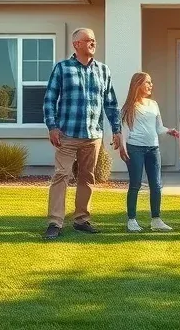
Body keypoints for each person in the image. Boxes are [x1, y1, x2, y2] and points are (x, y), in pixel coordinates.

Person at [41, 27, 122, 240]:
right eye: (88, 40)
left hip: (93, 136)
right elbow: (49, 99)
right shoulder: (62, 68)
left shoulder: (103, 70)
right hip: (66, 134)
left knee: (87, 177)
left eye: (94, 40)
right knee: (61, 176)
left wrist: (116, 129)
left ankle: (81, 219)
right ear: (76, 44)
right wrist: (52, 127)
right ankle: (55, 222)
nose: (93, 43)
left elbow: (111, 104)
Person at [115, 72, 180, 233]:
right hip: (135, 148)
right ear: (138, 85)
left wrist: (169, 131)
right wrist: (122, 148)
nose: (151, 85)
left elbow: (158, 128)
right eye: (147, 82)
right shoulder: (129, 107)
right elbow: (122, 130)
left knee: (156, 185)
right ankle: (131, 220)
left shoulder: (153, 104)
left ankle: (156, 220)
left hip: (153, 149)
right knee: (135, 184)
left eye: (151, 82)